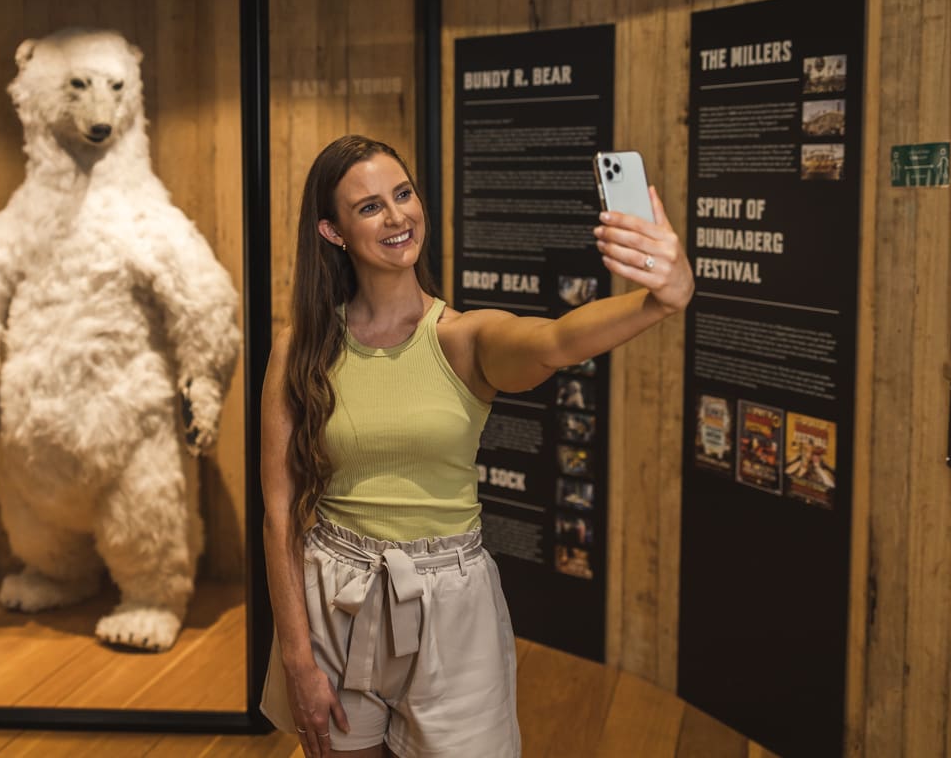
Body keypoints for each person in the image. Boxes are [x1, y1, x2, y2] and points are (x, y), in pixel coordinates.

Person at [260, 134, 694, 757]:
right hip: (334, 600)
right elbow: (280, 516)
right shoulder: (298, 347)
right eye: (370, 207)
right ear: (333, 232)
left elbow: (556, 341)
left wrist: (659, 300)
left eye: (403, 194)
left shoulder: (464, 339)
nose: (398, 216)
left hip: (450, 610)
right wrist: (299, 659)